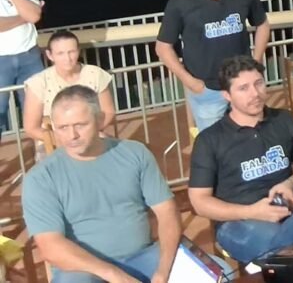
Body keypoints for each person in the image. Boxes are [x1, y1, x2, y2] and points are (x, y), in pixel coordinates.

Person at [188, 55, 293, 265]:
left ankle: (286, 243)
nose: (255, 93)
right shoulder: (210, 139)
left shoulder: (284, 119)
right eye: (243, 88)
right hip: (239, 220)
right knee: (277, 243)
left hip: (287, 206)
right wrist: (252, 211)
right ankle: (290, 244)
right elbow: (199, 202)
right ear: (227, 95)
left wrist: (289, 184)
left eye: (259, 83)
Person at [24, 85, 182, 282]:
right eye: (63, 128)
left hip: (144, 257)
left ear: (99, 120)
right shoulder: (41, 178)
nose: (72, 135)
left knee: (208, 272)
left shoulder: (135, 153)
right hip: (83, 269)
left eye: (80, 125)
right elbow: (50, 246)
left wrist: (164, 270)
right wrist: (113, 274)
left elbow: (167, 212)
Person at [155, 0, 271, 132]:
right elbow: (162, 47)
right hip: (207, 91)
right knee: (215, 145)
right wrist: (191, 82)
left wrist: (256, 62)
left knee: (254, 137)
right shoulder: (180, 1)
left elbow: (262, 24)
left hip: (244, 85)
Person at [23, 31, 115, 150]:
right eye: (60, 53)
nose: (67, 58)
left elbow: (108, 112)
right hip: (53, 141)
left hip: (92, 135)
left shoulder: (95, 74)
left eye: (71, 52)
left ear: (78, 51)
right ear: (50, 55)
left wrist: (89, 134)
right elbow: (31, 128)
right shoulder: (38, 82)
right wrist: (63, 140)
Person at [0, 0, 44, 133]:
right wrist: (24, 17)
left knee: (38, 112)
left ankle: (43, 149)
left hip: (30, 56)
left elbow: (34, 16)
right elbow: (31, 15)